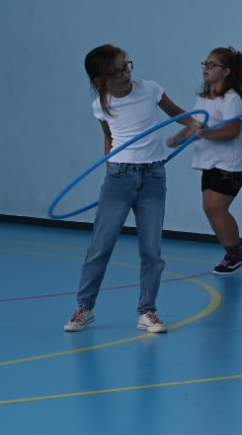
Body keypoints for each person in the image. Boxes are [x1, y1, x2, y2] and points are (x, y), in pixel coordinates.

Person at [64, 45, 198, 334]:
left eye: (126, 66)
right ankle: (84, 307)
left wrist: (195, 124)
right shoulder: (100, 105)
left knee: (152, 250)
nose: (125, 73)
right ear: (100, 80)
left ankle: (147, 311)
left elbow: (176, 112)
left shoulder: (150, 89)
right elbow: (110, 137)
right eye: (116, 72)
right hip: (119, 178)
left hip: (153, 177)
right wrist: (111, 166)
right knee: (100, 247)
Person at [169, 47, 242, 274]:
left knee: (217, 207)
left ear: (226, 71)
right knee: (209, 208)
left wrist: (205, 134)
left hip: (232, 163)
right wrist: (178, 138)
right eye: (205, 64)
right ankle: (233, 253)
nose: (206, 68)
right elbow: (196, 124)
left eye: (212, 64)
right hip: (211, 161)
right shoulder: (204, 98)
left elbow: (232, 131)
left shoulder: (231, 99)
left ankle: (235, 255)